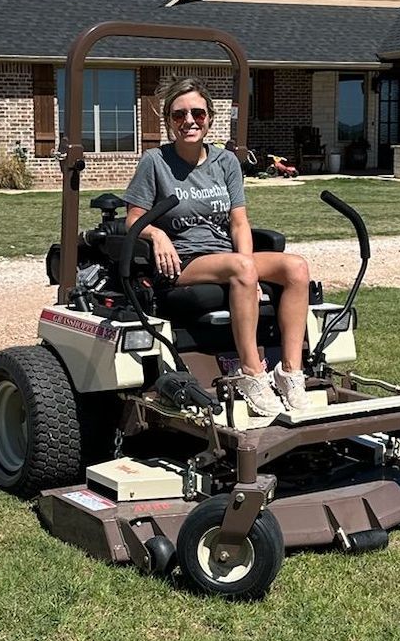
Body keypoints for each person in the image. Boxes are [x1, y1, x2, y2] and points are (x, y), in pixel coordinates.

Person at [123, 76, 312, 416]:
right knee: (242, 267)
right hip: (182, 261)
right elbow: (133, 219)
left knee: (295, 267)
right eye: (179, 115)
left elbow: (239, 223)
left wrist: (249, 270)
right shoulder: (155, 162)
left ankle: (289, 372)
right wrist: (157, 234)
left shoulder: (225, 162)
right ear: (168, 121)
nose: (189, 121)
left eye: (197, 113)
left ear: (209, 117)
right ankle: (252, 373)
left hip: (226, 256)